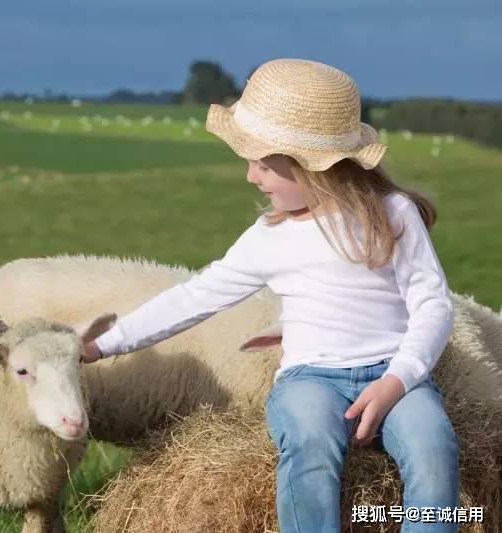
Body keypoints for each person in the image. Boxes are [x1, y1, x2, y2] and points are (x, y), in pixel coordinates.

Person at [82, 58, 458, 532]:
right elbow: (194, 297)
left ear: (310, 168)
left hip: (395, 373)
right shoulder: (269, 237)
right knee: (310, 443)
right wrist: (104, 344)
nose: (250, 177)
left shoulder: (393, 213)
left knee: (434, 446)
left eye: (262, 164)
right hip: (311, 380)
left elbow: (433, 304)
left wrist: (399, 380)